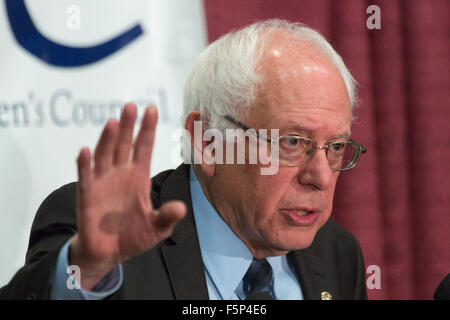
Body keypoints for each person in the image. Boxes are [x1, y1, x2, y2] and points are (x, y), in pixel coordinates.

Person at [0, 19, 367, 300]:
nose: (320, 176)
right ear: (208, 142)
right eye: (292, 142)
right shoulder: (101, 233)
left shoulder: (336, 253)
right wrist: (85, 267)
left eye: (335, 146)